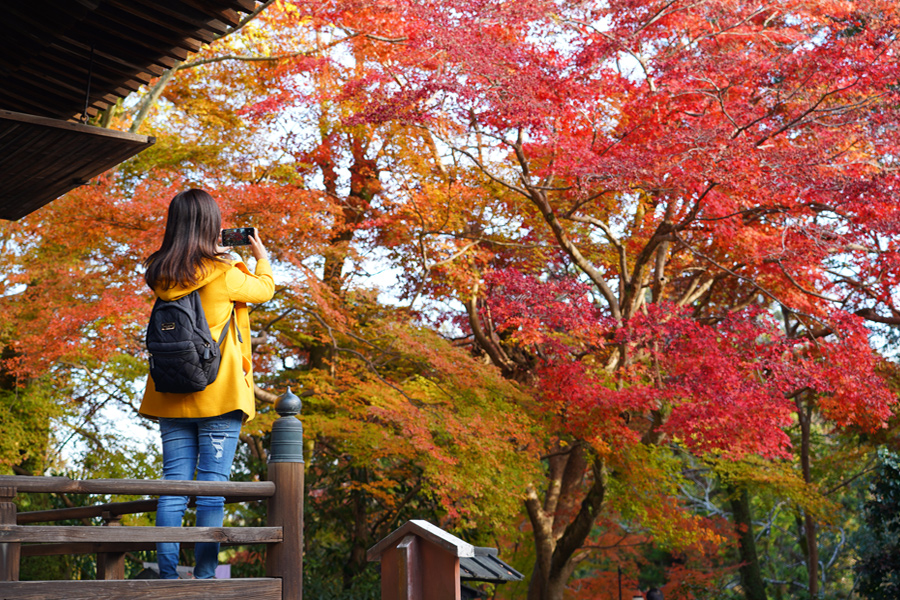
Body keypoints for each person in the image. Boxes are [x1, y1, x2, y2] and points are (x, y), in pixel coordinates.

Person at [139, 188, 275, 579]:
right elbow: (265, 290)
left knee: (173, 484)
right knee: (212, 485)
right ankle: (203, 577)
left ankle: (166, 576)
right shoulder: (225, 273)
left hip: (170, 392)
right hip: (218, 392)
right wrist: (259, 257)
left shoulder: (160, 273)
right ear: (212, 226)